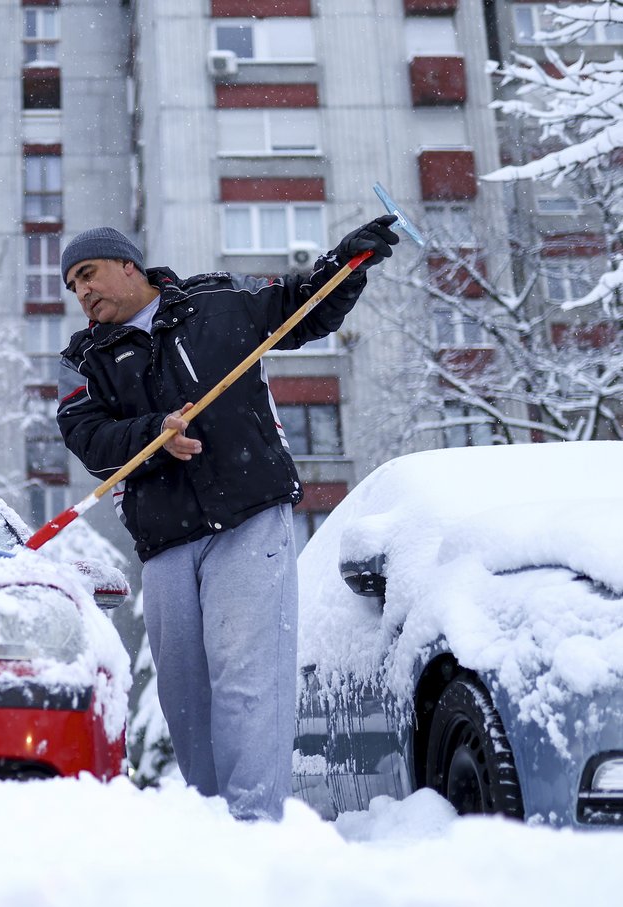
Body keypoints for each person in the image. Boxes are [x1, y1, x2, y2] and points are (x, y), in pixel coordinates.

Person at [54, 219, 397, 819]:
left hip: (248, 516)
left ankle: (255, 825)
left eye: (88, 275)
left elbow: (302, 306)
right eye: (72, 285)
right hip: (165, 540)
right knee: (185, 697)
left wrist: (348, 261)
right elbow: (87, 438)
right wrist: (153, 436)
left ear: (128, 266)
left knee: (249, 678)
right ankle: (208, 825)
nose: (81, 292)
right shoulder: (83, 360)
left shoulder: (216, 301)